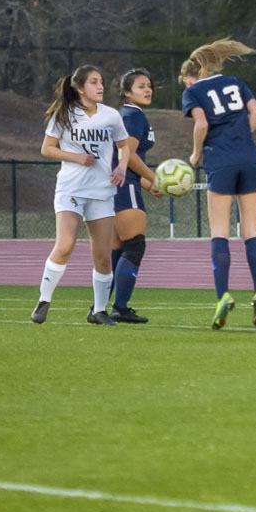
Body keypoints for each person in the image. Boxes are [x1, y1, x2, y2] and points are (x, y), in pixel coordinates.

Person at [180, 39, 256, 330]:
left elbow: (202, 124)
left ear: (190, 76)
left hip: (219, 160)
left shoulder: (193, 91)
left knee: (220, 231)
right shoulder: (235, 82)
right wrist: (242, 136)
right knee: (251, 229)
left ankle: (223, 296)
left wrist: (195, 154)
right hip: (249, 157)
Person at [31, 65, 130, 326]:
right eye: (94, 82)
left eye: (102, 82)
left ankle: (99, 311)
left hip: (101, 191)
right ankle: (44, 299)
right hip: (72, 189)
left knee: (103, 256)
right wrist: (75, 157)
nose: (100, 87)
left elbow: (124, 145)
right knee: (65, 245)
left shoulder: (111, 115)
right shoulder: (64, 114)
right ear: (79, 88)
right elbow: (47, 149)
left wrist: (122, 165)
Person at [106, 68, 162, 324]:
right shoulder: (133, 114)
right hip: (123, 185)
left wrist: (144, 181)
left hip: (117, 184)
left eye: (149, 85)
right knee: (135, 246)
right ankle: (119, 307)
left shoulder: (125, 115)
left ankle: (100, 307)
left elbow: (121, 157)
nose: (148, 89)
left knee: (117, 249)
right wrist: (152, 177)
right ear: (127, 92)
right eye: (141, 86)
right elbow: (127, 154)